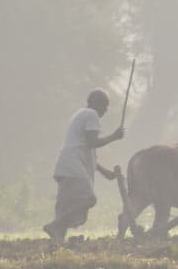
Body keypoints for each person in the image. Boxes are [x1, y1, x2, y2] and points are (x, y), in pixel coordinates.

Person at [43, 89, 124, 244]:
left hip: (65, 165)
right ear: (95, 103)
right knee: (88, 198)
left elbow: (86, 149)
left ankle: (57, 241)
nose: (106, 110)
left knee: (66, 205)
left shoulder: (79, 114)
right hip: (73, 165)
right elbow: (91, 142)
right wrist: (114, 137)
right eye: (104, 105)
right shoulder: (92, 115)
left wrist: (105, 172)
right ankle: (55, 225)